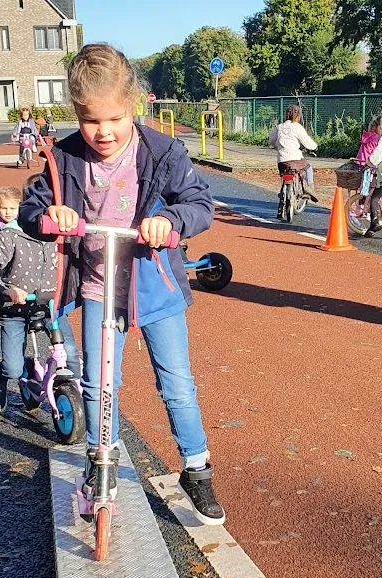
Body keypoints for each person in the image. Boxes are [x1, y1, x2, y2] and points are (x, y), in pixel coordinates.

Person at [18, 42, 226, 526]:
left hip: (153, 287)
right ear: (76, 114)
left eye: (115, 118)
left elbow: (199, 203)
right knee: (98, 382)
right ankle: (100, 459)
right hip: (98, 285)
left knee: (176, 382)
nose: (104, 132)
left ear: (132, 105)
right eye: (90, 120)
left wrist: (171, 220)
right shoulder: (64, 157)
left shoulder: (161, 152)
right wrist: (50, 215)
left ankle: (196, 467)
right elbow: (32, 206)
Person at [0, 186, 75, 414]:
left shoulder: (62, 235)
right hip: (15, 308)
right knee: (13, 368)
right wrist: (4, 291)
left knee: (71, 357)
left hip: (49, 306)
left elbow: (78, 265)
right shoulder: (10, 235)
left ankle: (77, 406)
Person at [269, 104, 318, 202]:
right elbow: (307, 141)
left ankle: (283, 189)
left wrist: (276, 146)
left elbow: (271, 140)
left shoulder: (280, 127)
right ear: (298, 116)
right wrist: (315, 147)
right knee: (308, 168)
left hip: (282, 161)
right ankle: (310, 189)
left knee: (284, 173)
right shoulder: (297, 127)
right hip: (295, 159)